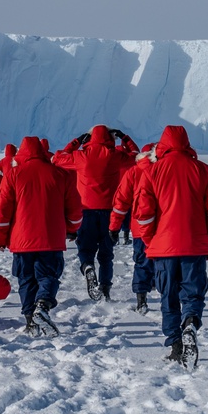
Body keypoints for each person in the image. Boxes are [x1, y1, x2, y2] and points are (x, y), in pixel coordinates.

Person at [134, 126, 208, 370]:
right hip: (194, 246)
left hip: (163, 248)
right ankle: (190, 323)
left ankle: (175, 345)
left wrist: (149, 239)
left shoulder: (152, 172)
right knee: (193, 293)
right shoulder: (205, 171)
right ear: (186, 143)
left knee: (168, 296)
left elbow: (143, 213)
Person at [0, 136, 82, 337]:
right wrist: (71, 228)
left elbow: (1, 211)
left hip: (21, 240)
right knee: (48, 275)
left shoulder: (13, 175)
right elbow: (75, 209)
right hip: (51, 239)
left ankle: (29, 319)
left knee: (26, 279)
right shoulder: (61, 174)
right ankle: (43, 304)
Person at [52, 124, 139, 301]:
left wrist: (77, 141)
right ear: (109, 138)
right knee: (107, 254)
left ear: (89, 139)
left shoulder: (81, 156)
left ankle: (87, 267)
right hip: (110, 212)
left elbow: (57, 158)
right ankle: (105, 289)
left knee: (85, 249)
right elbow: (136, 156)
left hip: (86, 211)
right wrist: (124, 137)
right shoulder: (115, 156)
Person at [109, 143, 158, 315]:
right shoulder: (161, 170)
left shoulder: (133, 172)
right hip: (163, 228)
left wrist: (114, 226)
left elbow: (120, 202)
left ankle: (141, 298)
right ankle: (164, 291)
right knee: (163, 262)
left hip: (139, 227)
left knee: (141, 261)